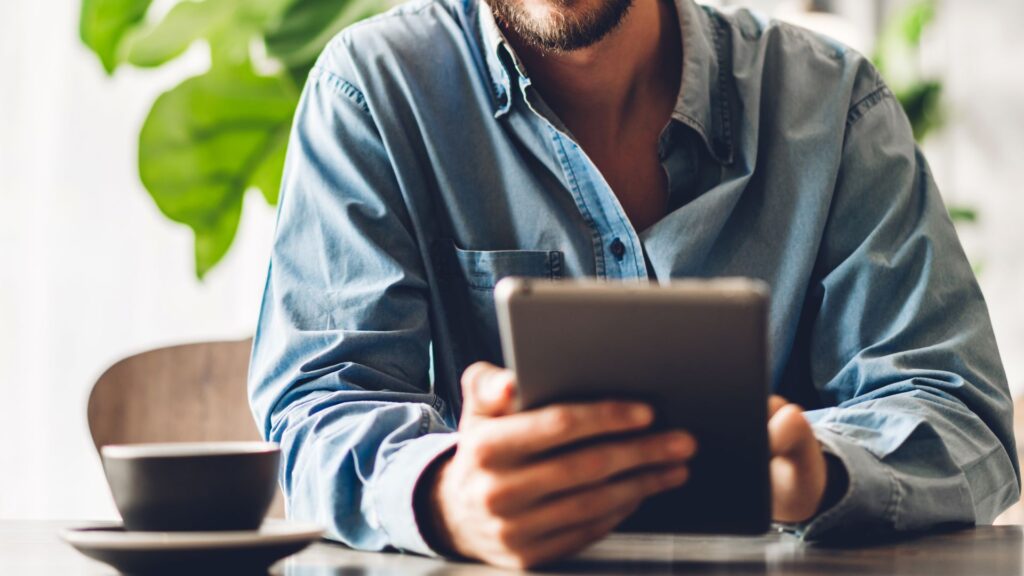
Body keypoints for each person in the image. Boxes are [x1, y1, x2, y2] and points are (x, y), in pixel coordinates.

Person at [248, 0, 1020, 568]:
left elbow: (961, 413)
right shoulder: (373, 93)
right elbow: (315, 409)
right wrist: (443, 493)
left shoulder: (831, 105)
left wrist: (824, 473)